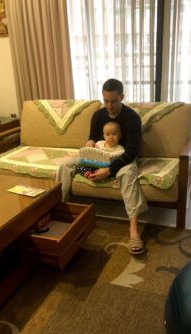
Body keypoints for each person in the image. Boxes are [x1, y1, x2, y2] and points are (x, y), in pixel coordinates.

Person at [56, 78, 148, 254]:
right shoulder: (98, 115)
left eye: (113, 101)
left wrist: (109, 170)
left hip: (122, 159)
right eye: (106, 101)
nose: (109, 105)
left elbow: (132, 152)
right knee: (64, 166)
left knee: (128, 174)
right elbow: (92, 136)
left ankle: (134, 230)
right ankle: (61, 213)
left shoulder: (132, 118)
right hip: (97, 157)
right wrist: (89, 143)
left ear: (122, 96)